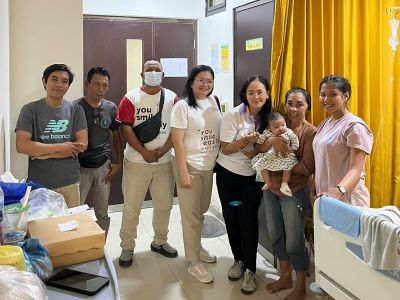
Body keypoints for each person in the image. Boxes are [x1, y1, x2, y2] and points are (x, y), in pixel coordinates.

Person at [117, 60, 179, 267]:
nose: (153, 72)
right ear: (141, 74)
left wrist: (164, 149)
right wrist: (143, 152)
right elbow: (125, 128)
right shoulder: (130, 97)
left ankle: (160, 241)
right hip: (136, 162)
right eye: (149, 70)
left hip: (164, 161)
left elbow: (177, 127)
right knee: (132, 206)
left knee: (164, 205)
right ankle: (127, 247)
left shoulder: (172, 98)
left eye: (157, 70)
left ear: (163, 73)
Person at [215, 75, 271, 294]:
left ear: (267, 94)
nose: (256, 96)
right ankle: (238, 260)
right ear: (244, 95)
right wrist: (246, 141)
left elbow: (269, 147)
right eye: (251, 92)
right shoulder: (232, 116)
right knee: (232, 218)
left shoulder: (270, 117)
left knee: (248, 221)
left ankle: (250, 270)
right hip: (228, 176)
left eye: (260, 92)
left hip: (252, 178)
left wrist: (257, 148)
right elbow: (226, 149)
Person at [258, 88, 316, 300]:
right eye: (290, 103)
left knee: (294, 240)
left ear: (307, 106)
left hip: (295, 192)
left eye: (299, 104)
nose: (294, 108)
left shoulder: (311, 133)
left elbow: (307, 166)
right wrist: (271, 144)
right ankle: (285, 277)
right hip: (271, 190)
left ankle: (300, 285)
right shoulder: (276, 126)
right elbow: (259, 148)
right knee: (276, 234)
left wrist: (281, 163)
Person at [171, 65, 222, 284]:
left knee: (200, 211)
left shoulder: (214, 101)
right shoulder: (182, 107)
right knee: (190, 216)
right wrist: (183, 173)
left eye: (209, 81)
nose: (205, 84)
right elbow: (177, 142)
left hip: (208, 166)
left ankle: (197, 247)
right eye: (201, 80)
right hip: (189, 164)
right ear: (191, 82)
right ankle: (193, 262)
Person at [15, 64, 88, 208]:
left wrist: (45, 154)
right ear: (44, 82)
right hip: (39, 184)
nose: (59, 84)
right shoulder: (30, 110)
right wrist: (63, 147)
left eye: (65, 81)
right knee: (41, 229)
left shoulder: (76, 110)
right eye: (54, 79)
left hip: (70, 183)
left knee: (69, 227)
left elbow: (82, 144)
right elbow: (22, 146)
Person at [75, 67, 123, 237]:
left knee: (102, 211)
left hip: (104, 166)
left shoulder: (111, 107)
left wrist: (118, 162)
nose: (101, 89)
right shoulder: (74, 108)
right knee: (76, 210)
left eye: (105, 85)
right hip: (80, 168)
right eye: (96, 84)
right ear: (87, 84)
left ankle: (99, 246)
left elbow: (116, 135)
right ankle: (78, 245)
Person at [312, 75, 373, 207]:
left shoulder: (354, 126)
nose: (326, 99)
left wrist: (339, 190)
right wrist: (315, 186)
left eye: (333, 94)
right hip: (325, 197)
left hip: (348, 200)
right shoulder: (324, 124)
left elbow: (355, 169)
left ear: (346, 96)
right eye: (323, 94)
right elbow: (321, 160)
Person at [252, 111, 299, 196]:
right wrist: (257, 138)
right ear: (270, 128)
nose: (280, 128)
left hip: (284, 155)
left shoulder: (288, 132)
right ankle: (268, 182)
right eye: (276, 127)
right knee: (262, 164)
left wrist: (292, 150)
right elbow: (260, 141)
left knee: (288, 166)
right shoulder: (267, 133)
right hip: (271, 156)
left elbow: (295, 141)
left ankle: (284, 183)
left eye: (282, 125)